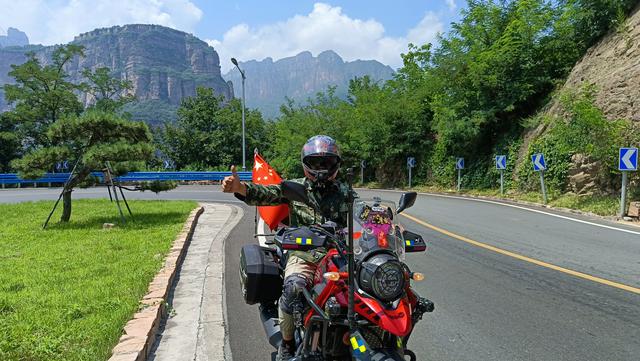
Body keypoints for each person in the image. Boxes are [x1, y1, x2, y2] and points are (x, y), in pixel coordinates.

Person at [222, 135, 353, 360]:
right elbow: (265, 193)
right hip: (303, 254)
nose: (321, 169)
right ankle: (288, 342)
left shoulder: (345, 191)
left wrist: (380, 223)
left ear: (336, 164)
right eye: (316, 163)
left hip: (337, 254)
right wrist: (240, 188)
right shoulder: (294, 188)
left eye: (327, 163)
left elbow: (362, 218)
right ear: (306, 164)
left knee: (366, 289)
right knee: (294, 288)